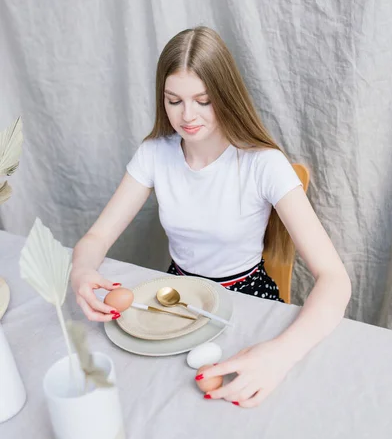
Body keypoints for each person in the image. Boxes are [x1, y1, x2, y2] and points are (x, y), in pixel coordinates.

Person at [71, 26, 351, 408]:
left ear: (225, 95)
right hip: (175, 297)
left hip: (247, 297)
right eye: (174, 101)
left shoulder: (263, 164)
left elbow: (335, 280)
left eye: (203, 100)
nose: (187, 116)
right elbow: (96, 239)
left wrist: (281, 355)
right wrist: (82, 271)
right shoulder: (155, 154)